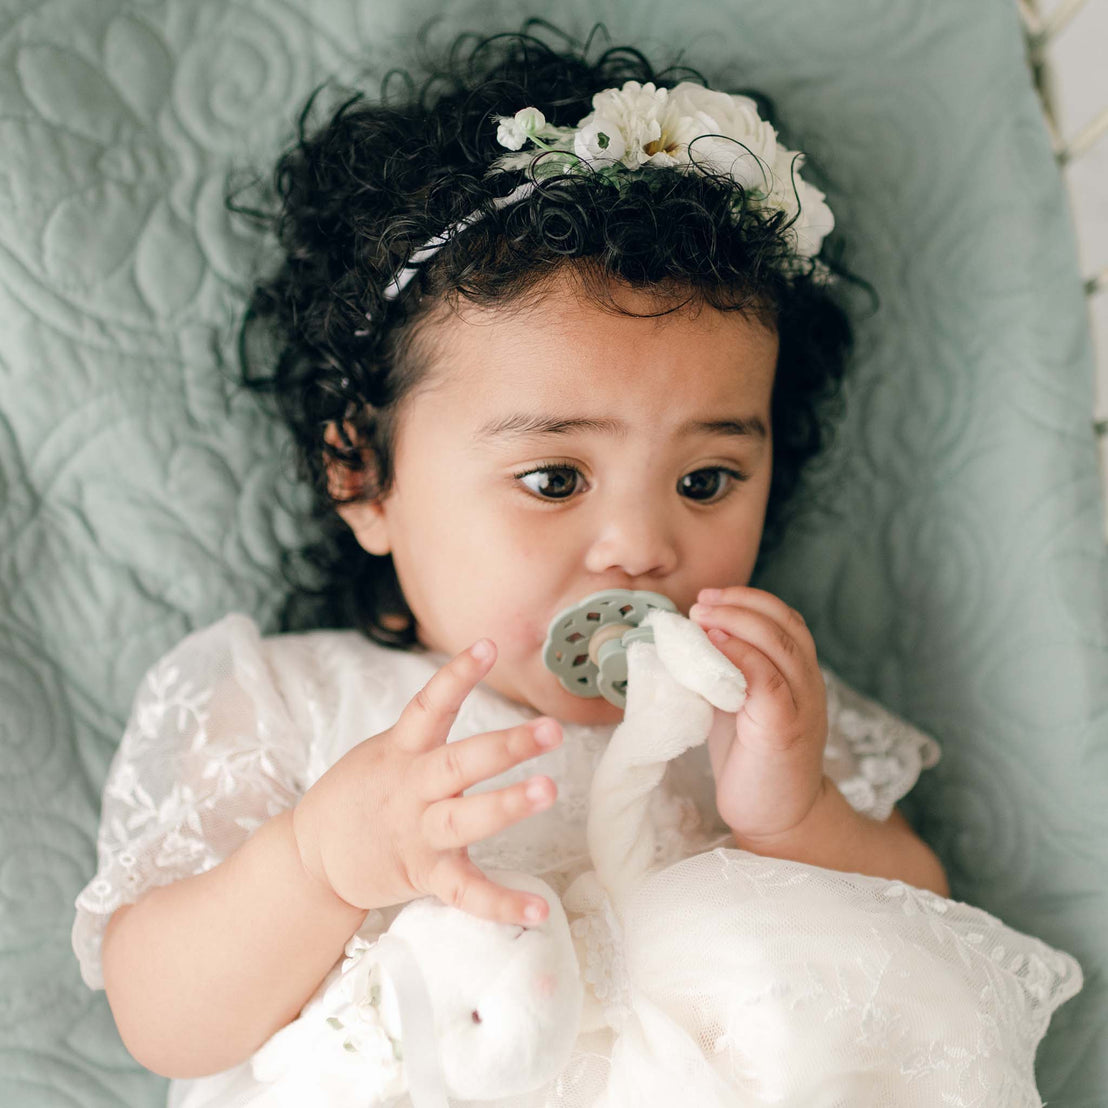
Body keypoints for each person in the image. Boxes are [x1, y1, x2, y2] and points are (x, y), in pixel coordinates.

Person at [70, 21, 1080, 1107]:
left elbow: (933, 948)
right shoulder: (292, 701)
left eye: (705, 481)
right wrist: (317, 865)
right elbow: (160, 1015)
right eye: (554, 479)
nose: (644, 548)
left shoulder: (760, 717)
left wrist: (797, 818)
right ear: (363, 475)